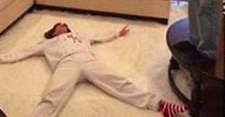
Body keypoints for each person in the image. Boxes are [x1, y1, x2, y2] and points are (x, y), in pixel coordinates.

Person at [0, 22, 187, 117]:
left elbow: (99, 36)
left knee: (117, 81)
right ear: (53, 31)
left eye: (64, 24)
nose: (62, 25)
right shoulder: (46, 43)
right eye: (59, 25)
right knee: (53, 94)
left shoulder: (80, 36)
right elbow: (24, 51)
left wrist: (116, 33)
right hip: (67, 64)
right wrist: (3, 57)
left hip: (88, 60)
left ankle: (159, 105)